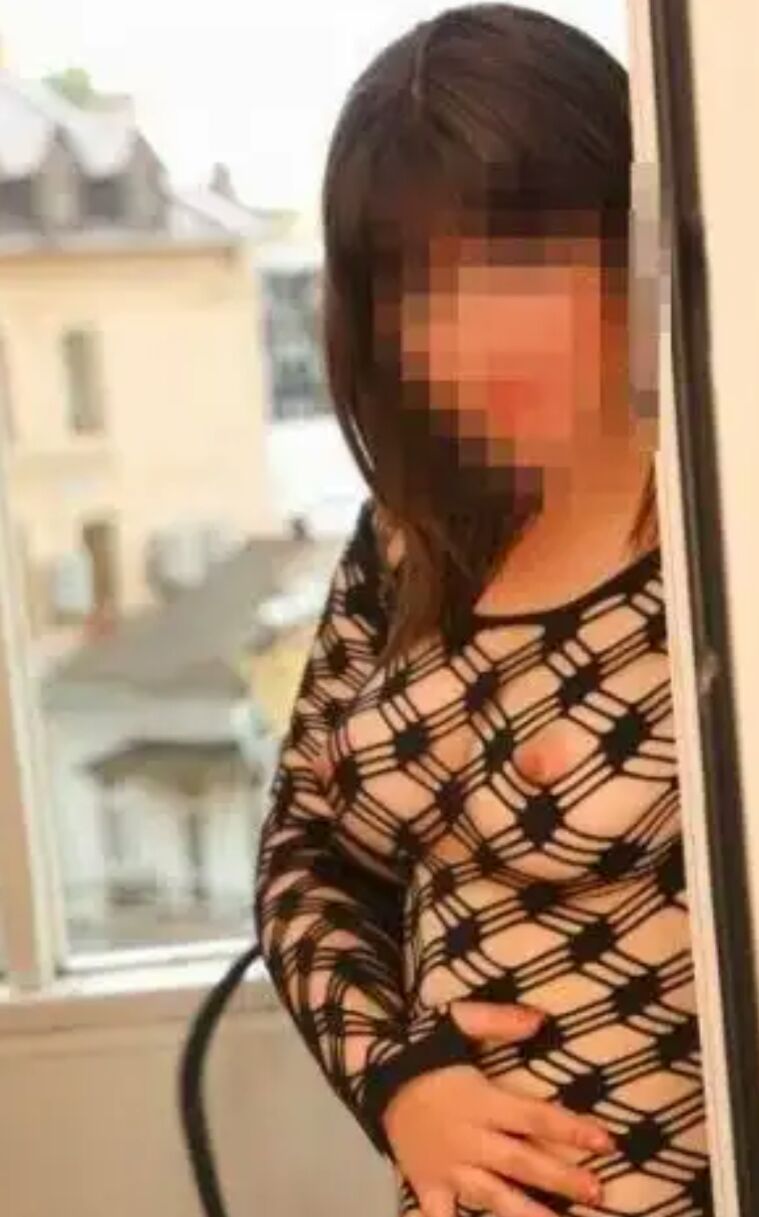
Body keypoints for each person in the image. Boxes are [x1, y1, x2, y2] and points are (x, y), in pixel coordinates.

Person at [253, 5, 713, 1216]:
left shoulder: (722, 531)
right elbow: (307, 855)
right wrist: (398, 1078)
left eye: (518, 261)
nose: (467, 338)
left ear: (627, 238)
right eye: (417, 287)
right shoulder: (409, 536)